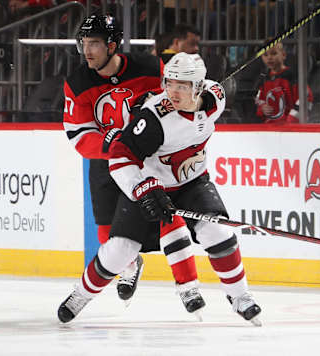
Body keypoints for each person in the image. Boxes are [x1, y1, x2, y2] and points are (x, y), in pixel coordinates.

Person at [58, 52, 262, 326]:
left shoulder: (216, 99)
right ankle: (80, 294)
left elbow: (216, 92)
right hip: (150, 184)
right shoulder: (154, 118)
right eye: (169, 83)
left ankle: (240, 297)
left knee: (219, 231)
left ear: (199, 87)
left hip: (192, 182)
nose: (172, 92)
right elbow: (119, 157)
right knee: (121, 250)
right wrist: (142, 188)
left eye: (182, 85)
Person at [59, 14, 204, 321]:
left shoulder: (150, 68)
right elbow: (79, 136)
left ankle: (189, 287)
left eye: (95, 43)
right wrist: (115, 145)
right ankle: (130, 265)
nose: (87, 50)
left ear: (112, 45)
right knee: (106, 234)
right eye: (84, 43)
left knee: (167, 214)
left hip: (150, 159)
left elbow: (177, 95)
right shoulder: (77, 83)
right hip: (106, 163)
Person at [255, 42, 314, 124]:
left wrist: (292, 120)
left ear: (283, 55)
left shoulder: (292, 76)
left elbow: (307, 97)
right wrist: (262, 108)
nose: (269, 58)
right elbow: (259, 99)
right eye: (265, 55)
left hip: (290, 128)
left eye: (273, 53)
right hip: (269, 127)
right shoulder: (264, 78)